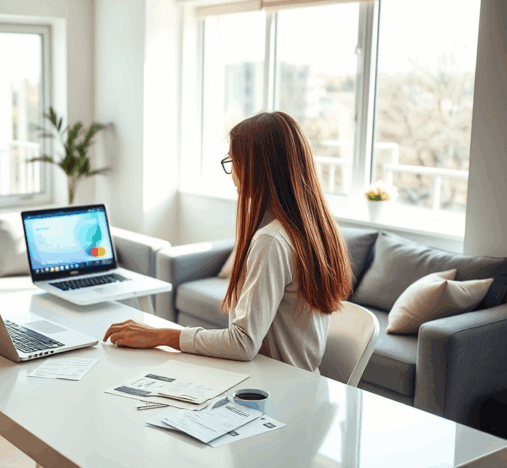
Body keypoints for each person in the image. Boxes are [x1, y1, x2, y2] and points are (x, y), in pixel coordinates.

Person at [103, 111, 352, 372]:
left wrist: (159, 335)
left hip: (274, 384)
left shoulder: (271, 241)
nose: (232, 172)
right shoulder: (311, 229)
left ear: (257, 167)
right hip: (297, 379)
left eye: (234, 161)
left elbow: (242, 343)